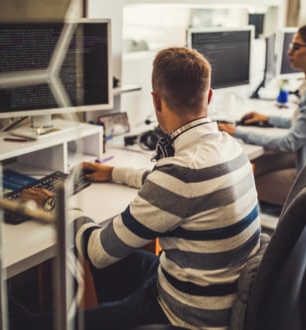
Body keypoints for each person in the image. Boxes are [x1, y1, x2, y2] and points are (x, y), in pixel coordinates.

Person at [19, 47, 262, 329]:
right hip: (210, 297)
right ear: (208, 96)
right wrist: (115, 172)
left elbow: (96, 251)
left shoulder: (179, 175)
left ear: (156, 101)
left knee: (48, 316)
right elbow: (179, 189)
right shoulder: (228, 146)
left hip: (183, 315)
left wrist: (57, 204)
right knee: (116, 257)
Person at [218, 22, 306, 206]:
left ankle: (274, 230)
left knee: (244, 184)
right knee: (253, 167)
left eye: (296, 47)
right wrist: (268, 118)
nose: (289, 52)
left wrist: (237, 131)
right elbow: (302, 123)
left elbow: (291, 142)